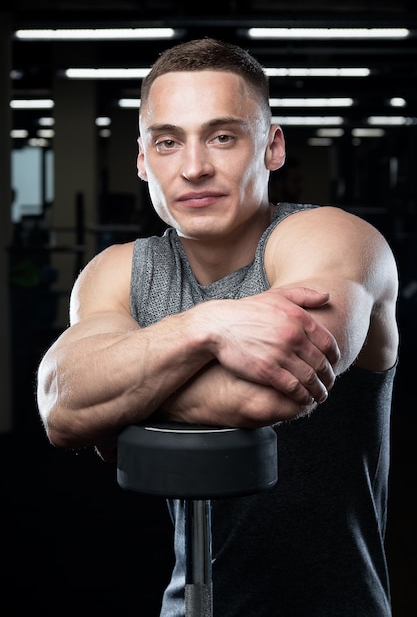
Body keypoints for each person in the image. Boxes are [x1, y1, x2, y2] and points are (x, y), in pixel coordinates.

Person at [36, 38, 399, 616]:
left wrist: (123, 401)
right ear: (141, 159)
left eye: (222, 136)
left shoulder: (332, 240)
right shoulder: (120, 272)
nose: (194, 166)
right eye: (168, 141)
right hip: (189, 605)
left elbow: (265, 393)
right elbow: (62, 405)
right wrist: (207, 326)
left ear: (272, 146)